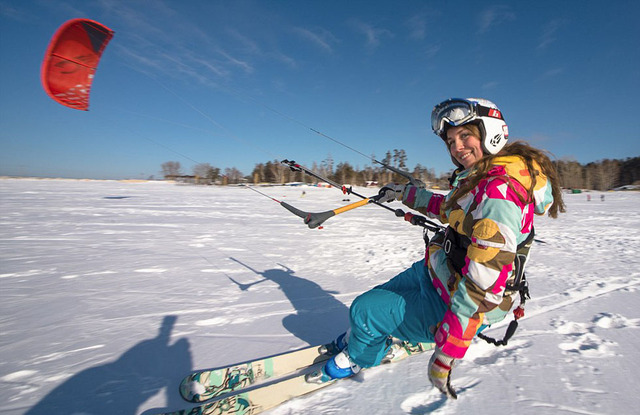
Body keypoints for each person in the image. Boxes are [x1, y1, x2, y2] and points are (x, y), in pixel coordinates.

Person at [307, 98, 565, 397]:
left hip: (460, 299)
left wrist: (450, 348)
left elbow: (484, 282)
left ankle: (359, 357)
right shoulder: (481, 178)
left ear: (490, 133)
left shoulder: (499, 191)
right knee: (374, 300)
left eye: (465, 136)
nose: (457, 147)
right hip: (437, 269)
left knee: (365, 311)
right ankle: (365, 336)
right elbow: (450, 208)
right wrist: (408, 194)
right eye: (451, 141)